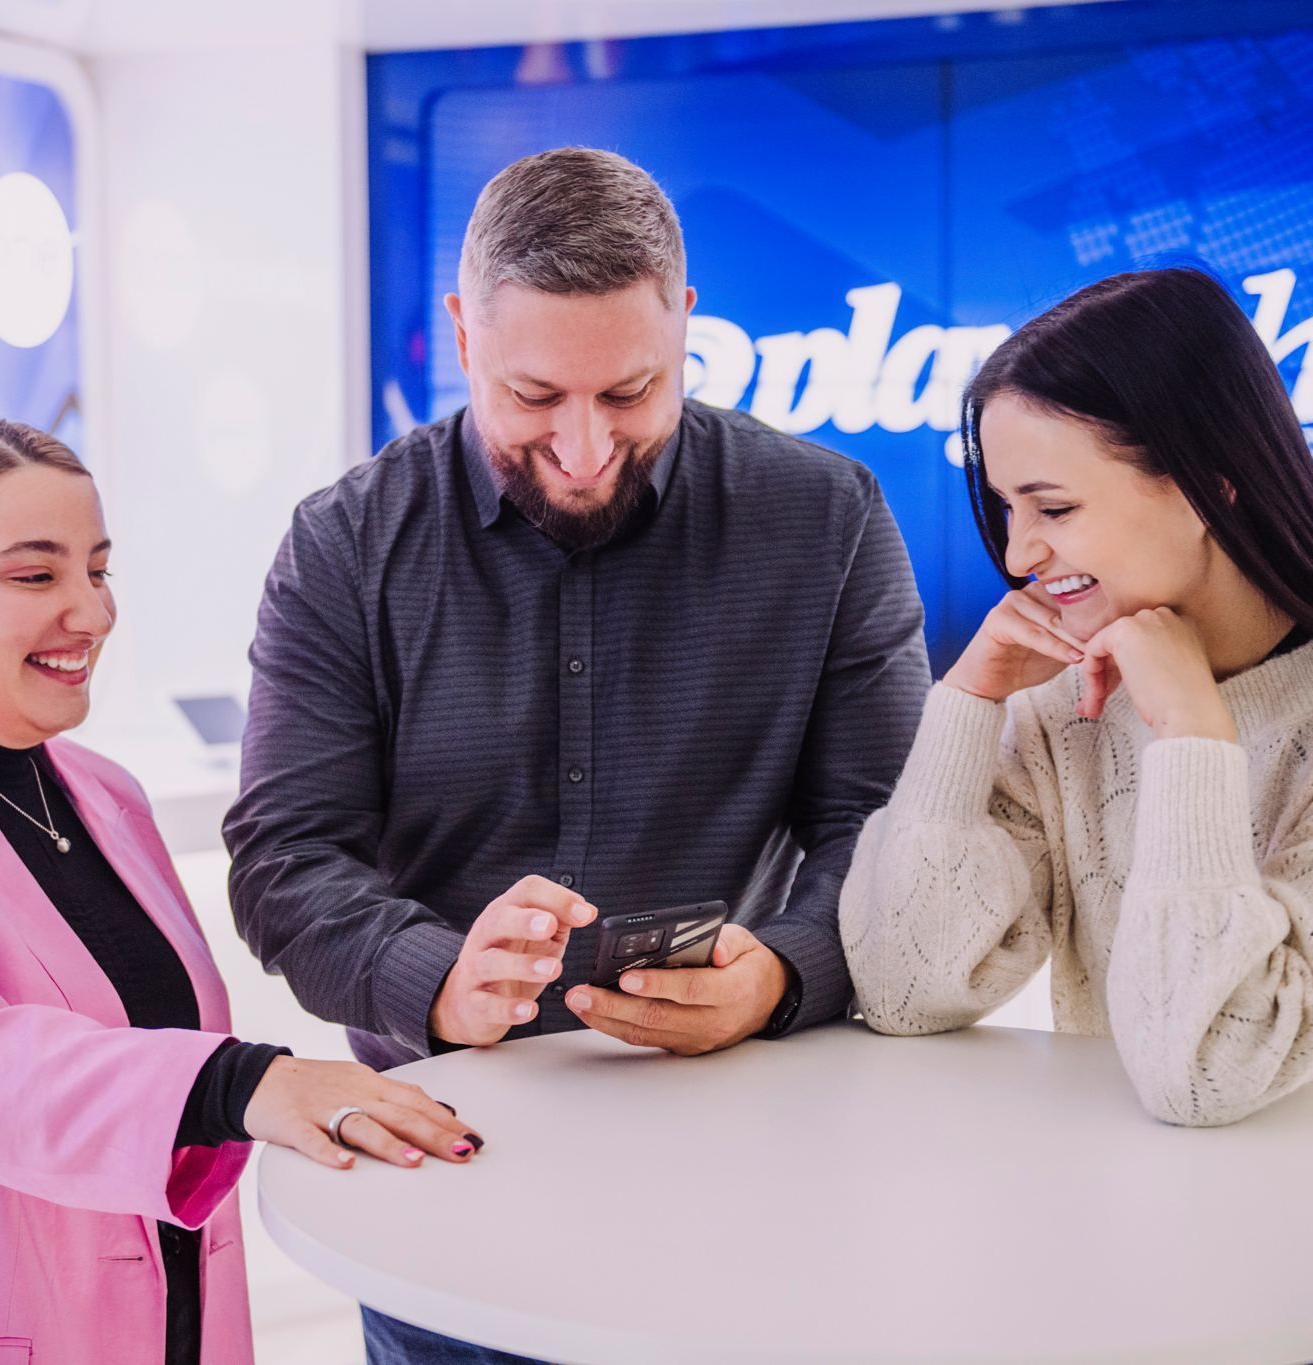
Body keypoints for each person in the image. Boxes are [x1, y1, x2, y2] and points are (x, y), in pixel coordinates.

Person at [226, 147, 929, 1362]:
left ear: (684, 323)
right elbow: (285, 858)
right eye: (535, 396)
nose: (587, 446)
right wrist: (431, 978)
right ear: (462, 334)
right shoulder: (344, 545)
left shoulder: (827, 518)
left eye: (630, 392)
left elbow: (887, 830)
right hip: (442, 1158)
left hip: (746, 1144)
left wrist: (781, 974)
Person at [838, 268, 1313, 1361]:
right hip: (1182, 1300)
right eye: (1004, 510)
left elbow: (1212, 1063)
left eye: (1053, 508)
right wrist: (966, 702)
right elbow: (906, 989)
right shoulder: (1062, 706)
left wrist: (1190, 730)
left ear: (1206, 485)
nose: (1019, 554)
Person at [0, 414, 484, 1365]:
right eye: (36, 576)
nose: (93, 613)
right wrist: (242, 1082)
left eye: (98, 570)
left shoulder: (104, 795)